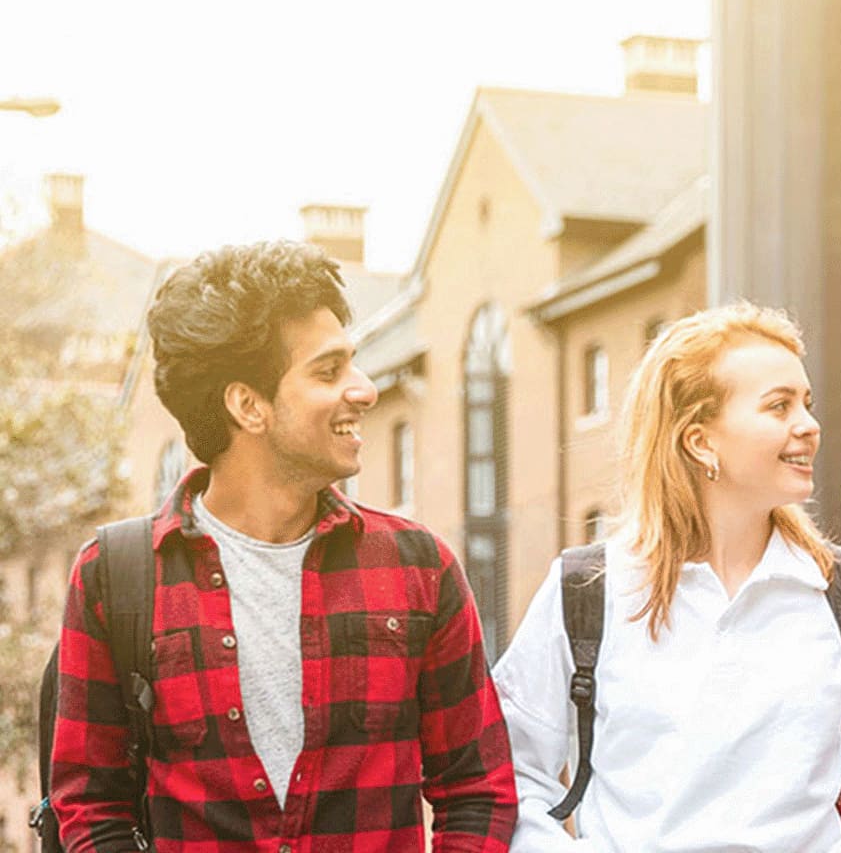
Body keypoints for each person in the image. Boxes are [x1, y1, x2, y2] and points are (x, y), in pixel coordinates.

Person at [50, 240, 517, 853]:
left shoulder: (418, 567)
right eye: (329, 371)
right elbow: (90, 804)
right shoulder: (115, 576)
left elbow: (478, 789)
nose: (366, 390)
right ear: (248, 406)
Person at [490, 302, 841, 852]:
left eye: (806, 403)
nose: (809, 424)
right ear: (700, 441)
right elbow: (511, 773)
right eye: (778, 406)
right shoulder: (588, 590)